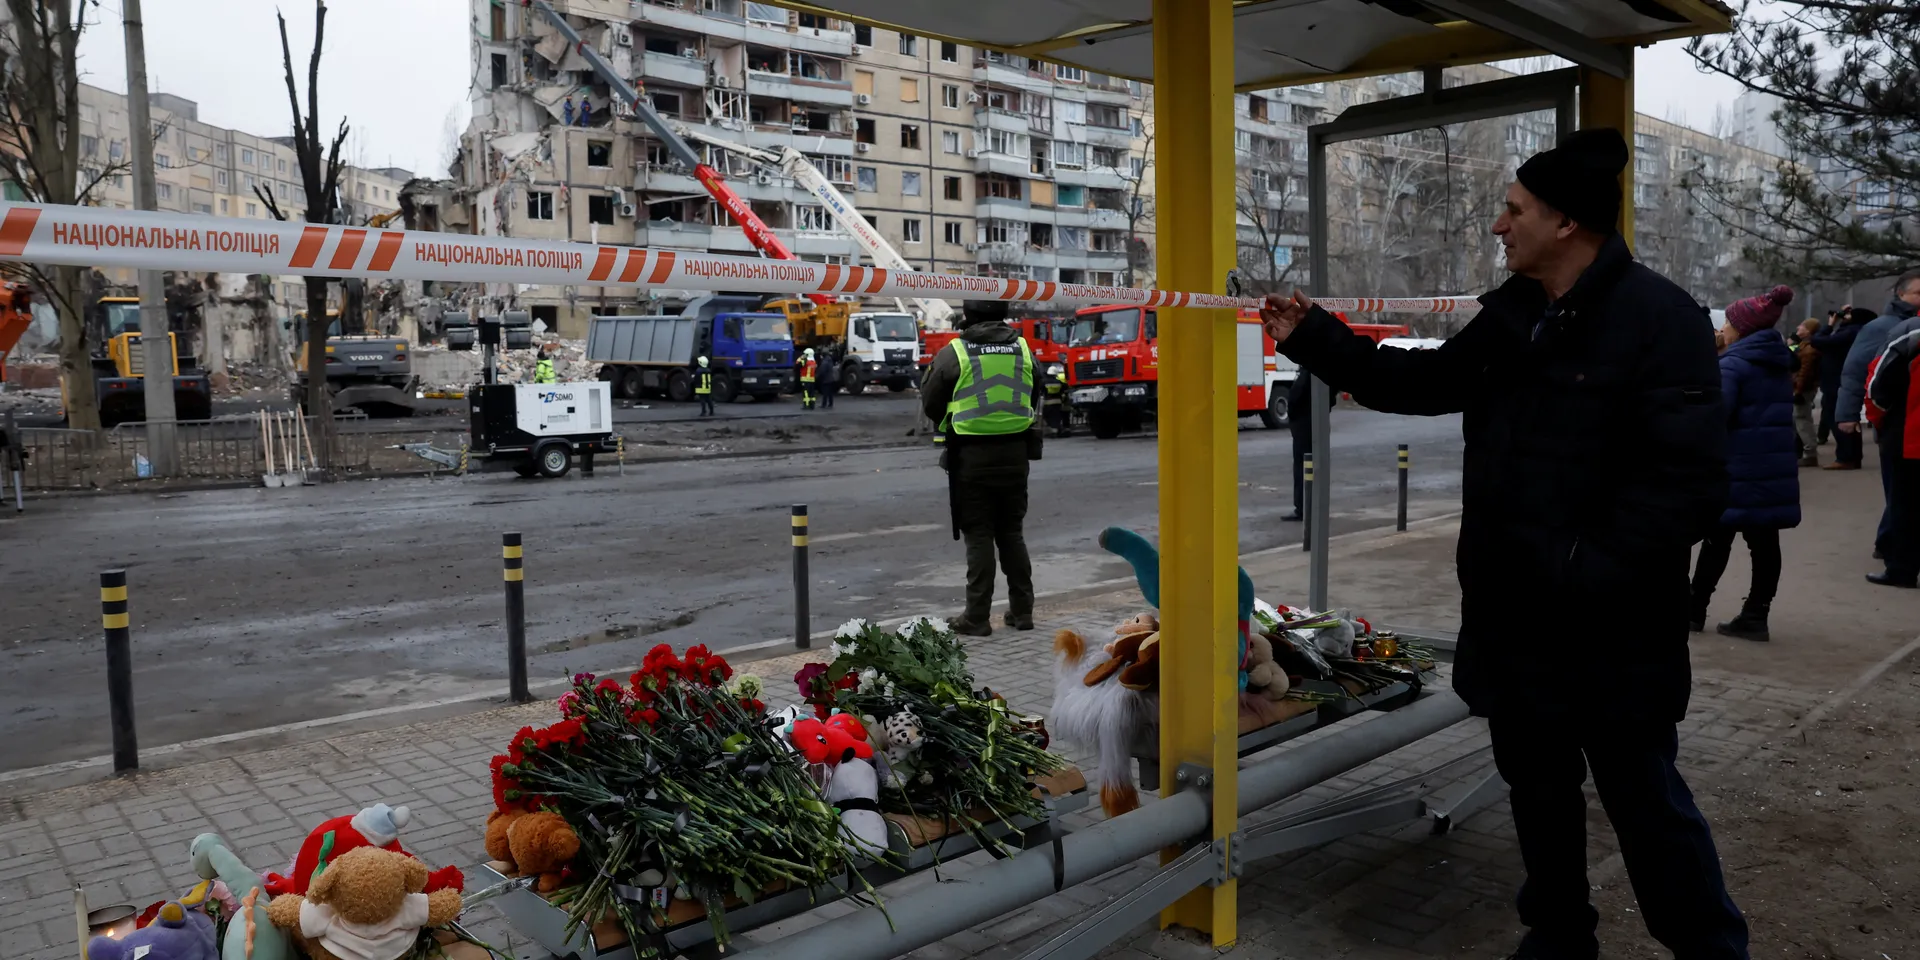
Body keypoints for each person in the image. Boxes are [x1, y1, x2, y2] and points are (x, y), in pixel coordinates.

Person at [1260, 128, 1747, 959]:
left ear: (1565, 223)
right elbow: (1420, 383)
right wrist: (1314, 336)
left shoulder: (1660, 320)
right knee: (1540, 794)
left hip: (1614, 633)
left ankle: (1710, 949)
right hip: (1515, 623)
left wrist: (1576, 568)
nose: (1498, 224)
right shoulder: (1512, 315)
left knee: (1646, 805)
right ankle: (1559, 939)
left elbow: (1688, 491)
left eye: (1513, 209)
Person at [919, 299, 1043, 637]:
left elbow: (930, 400)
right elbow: (1036, 389)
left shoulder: (956, 352)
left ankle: (977, 616)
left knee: (979, 535)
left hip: (971, 456)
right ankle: (1022, 611)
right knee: (1012, 533)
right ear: (1002, 316)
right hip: (1016, 452)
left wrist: (955, 420)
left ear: (969, 317)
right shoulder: (1022, 349)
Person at [1690, 287, 1802, 641]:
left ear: (1740, 328)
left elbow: (1716, 416)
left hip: (1735, 468)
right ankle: (1756, 614)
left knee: (1715, 540)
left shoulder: (1734, 364)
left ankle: (1693, 610)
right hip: (1769, 468)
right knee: (1765, 543)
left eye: (1729, 323)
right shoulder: (1775, 361)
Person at [1865, 321, 1920, 587]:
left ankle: (1902, 569)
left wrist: (1880, 421)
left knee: (1905, 504)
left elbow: (1878, 384)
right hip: (1908, 433)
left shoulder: (1911, 332)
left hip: (1910, 435)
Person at [1284, 373, 1335, 522]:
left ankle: (1303, 508)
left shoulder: (1308, 371)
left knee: (1303, 466)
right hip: (1319, 421)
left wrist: (1293, 415)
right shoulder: (1327, 371)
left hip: (1304, 423)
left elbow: (1295, 397)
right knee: (1318, 465)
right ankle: (1317, 506)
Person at [1790, 318, 1821, 466]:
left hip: (1803, 389)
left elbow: (1804, 372)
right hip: (1801, 387)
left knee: (1802, 420)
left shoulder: (1809, 349)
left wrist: (1798, 391)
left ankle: (1810, 453)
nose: (1798, 327)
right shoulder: (1803, 346)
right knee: (1800, 419)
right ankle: (1804, 451)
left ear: (1809, 330)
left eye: (1802, 326)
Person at [1041, 362, 1070, 437]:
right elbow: (1065, 388)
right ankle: (1057, 430)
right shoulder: (1059, 382)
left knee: (1048, 417)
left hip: (1047, 403)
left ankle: (1054, 431)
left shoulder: (1044, 382)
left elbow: (1041, 391)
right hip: (1058, 403)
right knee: (1056, 417)